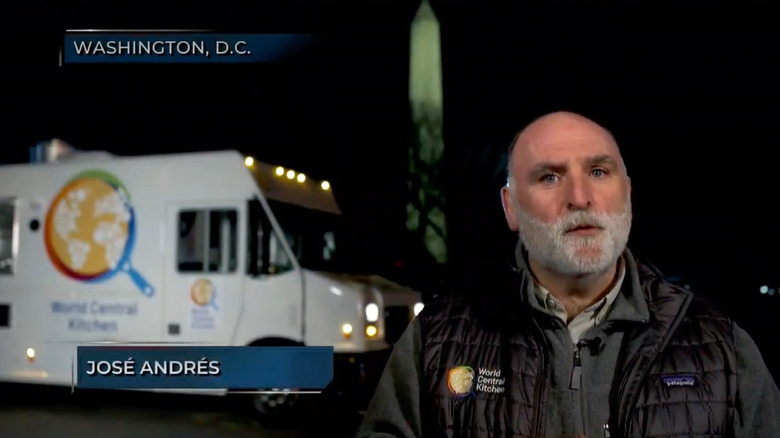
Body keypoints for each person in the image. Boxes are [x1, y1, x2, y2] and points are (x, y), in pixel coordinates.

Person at [355, 111, 780, 438]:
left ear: (627, 193)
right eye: (550, 176)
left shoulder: (721, 346)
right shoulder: (434, 341)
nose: (580, 198)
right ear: (510, 208)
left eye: (598, 172)